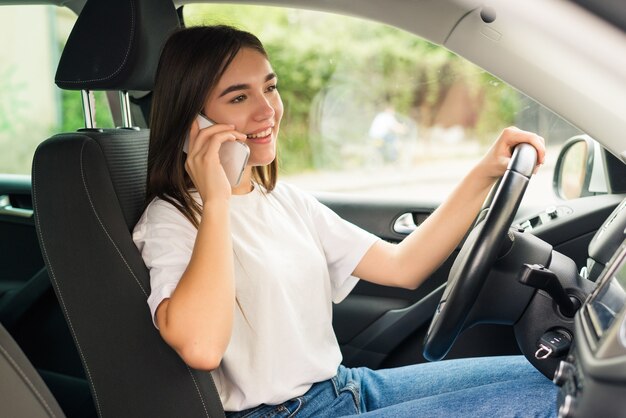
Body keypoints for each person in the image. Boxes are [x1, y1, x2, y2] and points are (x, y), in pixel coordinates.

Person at [132, 25, 556, 417]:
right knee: (556, 402)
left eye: (270, 88)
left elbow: (401, 266)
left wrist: (486, 171)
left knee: (560, 377)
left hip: (344, 388)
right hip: (282, 412)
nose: (268, 111)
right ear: (194, 122)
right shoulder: (170, 220)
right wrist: (216, 201)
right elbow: (202, 348)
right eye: (239, 97)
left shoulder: (281, 198)